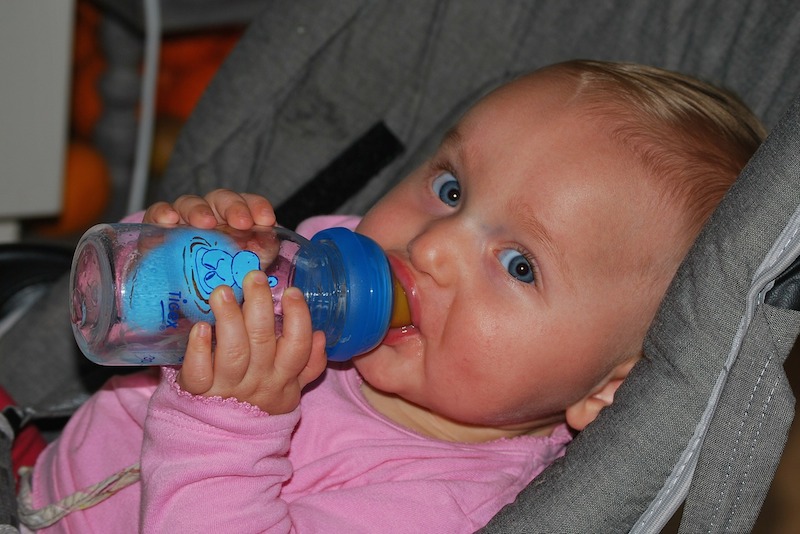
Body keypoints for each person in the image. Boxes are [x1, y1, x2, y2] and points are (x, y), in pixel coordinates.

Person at [19, 60, 765, 533]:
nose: (433, 246)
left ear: (608, 387)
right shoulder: (313, 261)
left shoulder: (448, 504)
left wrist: (227, 424)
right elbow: (124, 327)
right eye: (450, 189)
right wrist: (177, 256)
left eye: (519, 266)